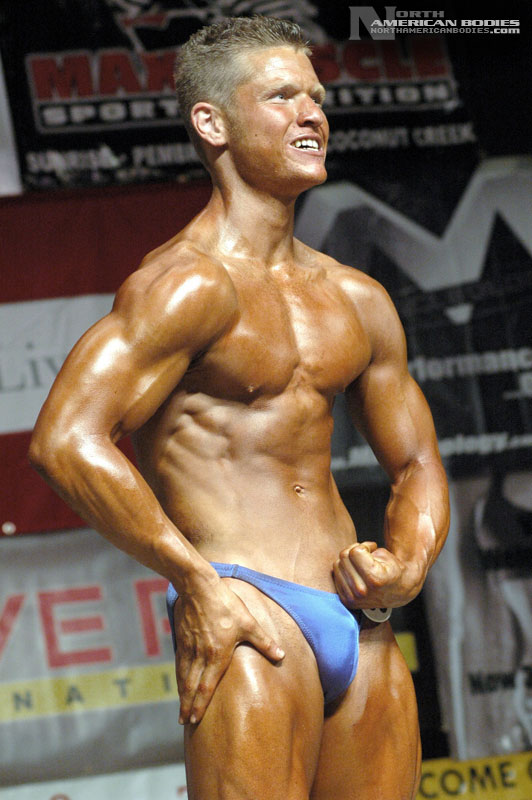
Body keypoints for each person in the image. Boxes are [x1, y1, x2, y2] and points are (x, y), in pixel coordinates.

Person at [29, 16, 449, 800]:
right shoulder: (185, 286)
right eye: (283, 96)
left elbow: (417, 462)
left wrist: (409, 565)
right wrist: (195, 581)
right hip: (249, 609)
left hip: (361, 625)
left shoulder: (356, 298)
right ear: (212, 123)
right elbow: (64, 440)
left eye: (317, 97)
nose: (312, 114)